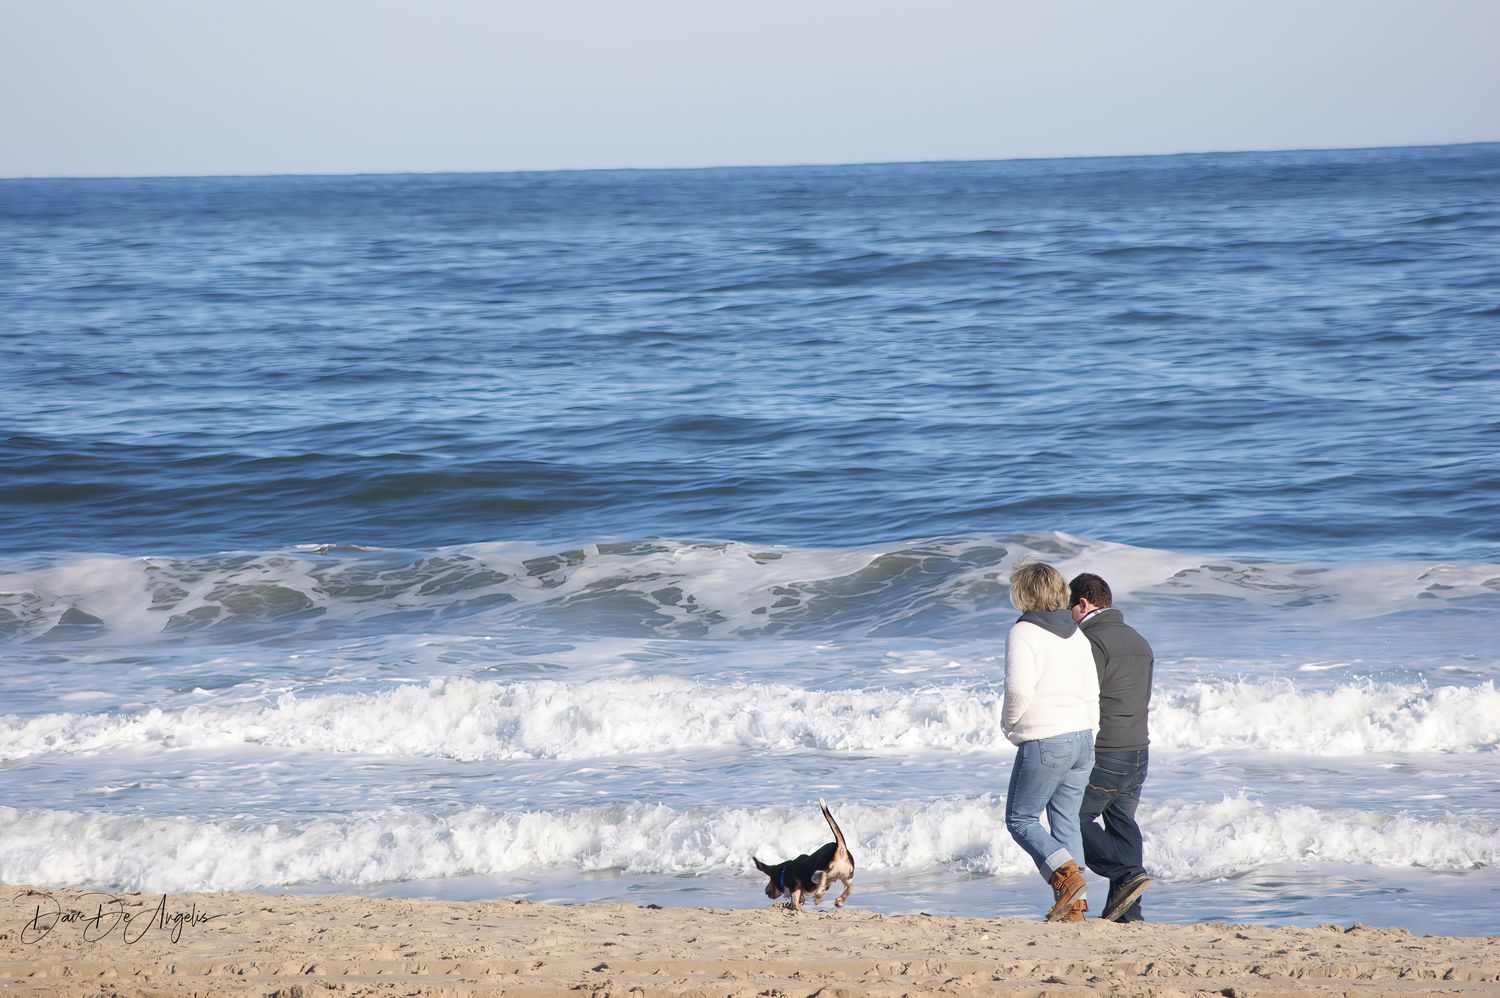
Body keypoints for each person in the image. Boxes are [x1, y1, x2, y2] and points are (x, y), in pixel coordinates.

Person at [1002, 562, 1101, 923]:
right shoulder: (1076, 633)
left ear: (1023, 594)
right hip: (1082, 737)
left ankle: (1068, 877)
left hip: (1046, 737)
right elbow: (1093, 691)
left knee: (1020, 819)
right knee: (1065, 820)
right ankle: (1074, 907)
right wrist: (1091, 730)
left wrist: (1011, 724)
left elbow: (1017, 689)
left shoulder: (1024, 632)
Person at [1069, 572, 1154, 923]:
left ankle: (1127, 872)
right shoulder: (1140, 640)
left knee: (1073, 817)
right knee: (1122, 823)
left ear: (1084, 604)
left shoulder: (1090, 641)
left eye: (1069, 608)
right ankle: (1128, 913)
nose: (1068, 616)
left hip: (1107, 749)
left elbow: (1082, 700)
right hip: (1138, 748)